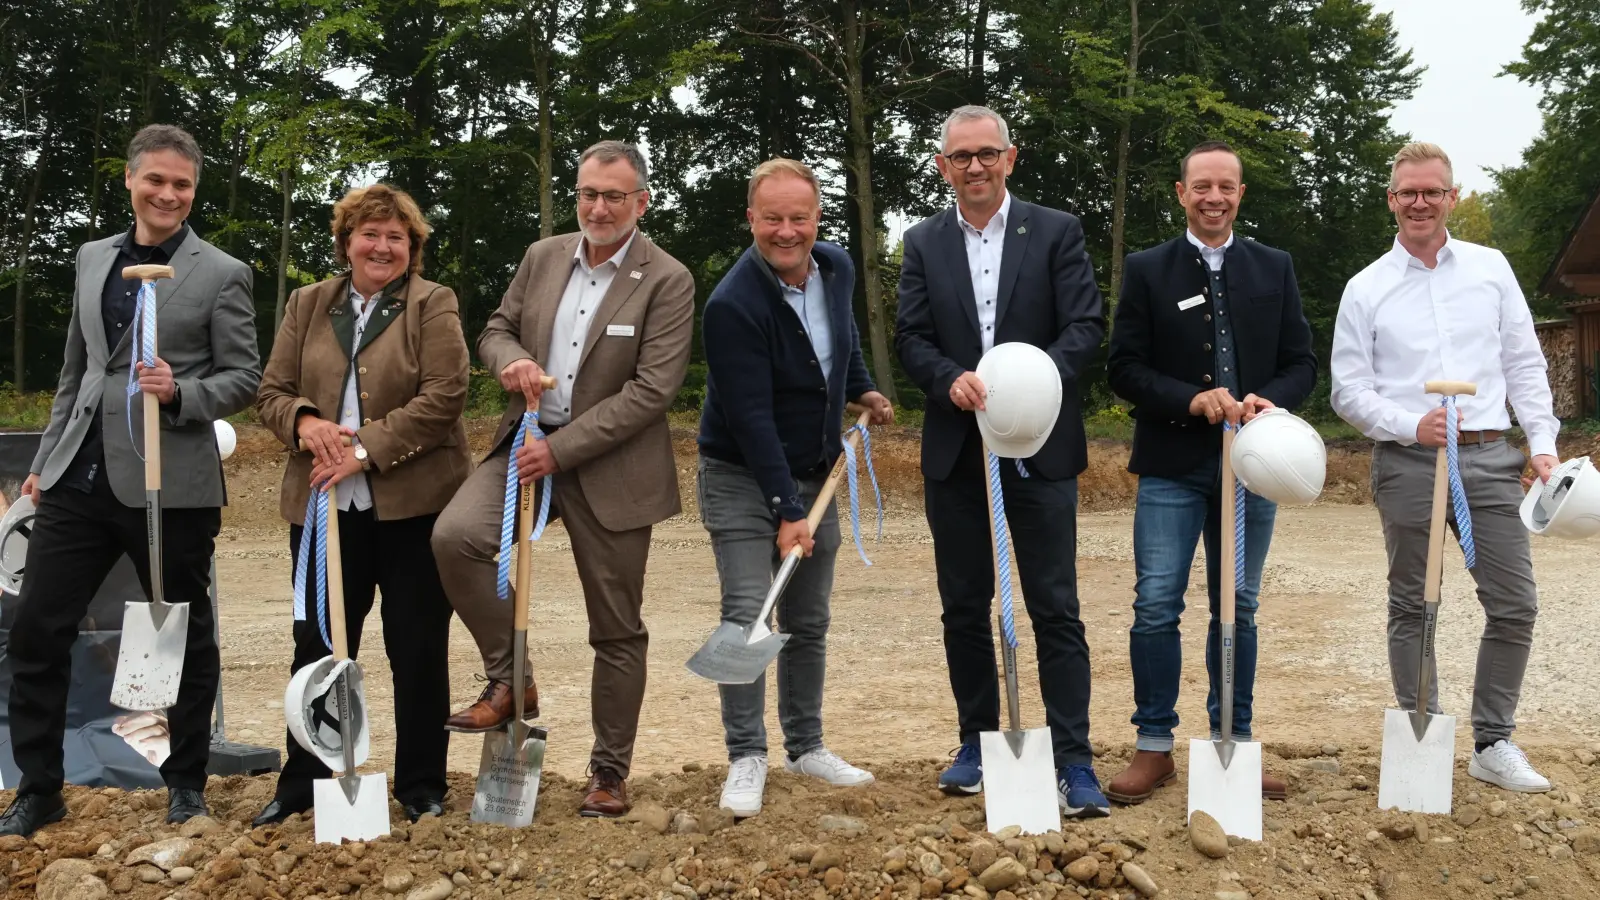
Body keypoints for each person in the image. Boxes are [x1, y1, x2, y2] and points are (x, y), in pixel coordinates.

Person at [0, 124, 260, 836]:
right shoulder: (91, 259)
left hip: (169, 481)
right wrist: (44, 464)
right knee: (36, 630)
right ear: (130, 180)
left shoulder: (221, 272)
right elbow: (76, 372)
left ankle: (186, 785)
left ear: (194, 190)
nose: (168, 194)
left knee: (182, 633)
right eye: (156, 180)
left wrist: (180, 392)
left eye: (182, 184)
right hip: (79, 477)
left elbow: (244, 378)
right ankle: (39, 787)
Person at [431, 140, 695, 818]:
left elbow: (652, 390)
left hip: (611, 466)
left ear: (641, 201)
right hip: (524, 446)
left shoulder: (667, 278)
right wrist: (511, 360)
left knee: (615, 628)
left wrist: (565, 449)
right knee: (456, 538)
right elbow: (494, 329)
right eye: (588, 193)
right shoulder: (543, 256)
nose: (598, 207)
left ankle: (609, 773)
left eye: (614, 195)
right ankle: (512, 679)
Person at [894, 105, 1110, 817]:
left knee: (1055, 606)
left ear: (1010, 159)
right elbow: (912, 338)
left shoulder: (1055, 231)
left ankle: (1073, 758)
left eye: (988, 153)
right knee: (964, 605)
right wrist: (948, 378)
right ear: (942, 166)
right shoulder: (923, 242)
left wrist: (1029, 386)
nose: (976, 167)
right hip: (958, 449)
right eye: (962, 157)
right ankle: (976, 743)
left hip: (1040, 443)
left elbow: (1085, 325)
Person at [1331, 141, 1560, 793]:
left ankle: (1493, 743)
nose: (1421, 202)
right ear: (1391, 200)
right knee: (1415, 604)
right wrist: (1412, 424)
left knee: (1514, 603)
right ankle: (1422, 739)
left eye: (1433, 191)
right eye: (1408, 192)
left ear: (1452, 197)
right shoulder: (1366, 288)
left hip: (1490, 456)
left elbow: (1523, 363)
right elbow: (1348, 389)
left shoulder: (1490, 270)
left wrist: (1541, 440)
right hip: (1408, 462)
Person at [1103, 140, 1317, 804]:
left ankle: (1235, 744)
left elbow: (1302, 362)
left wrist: (1268, 400)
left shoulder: (1274, 267)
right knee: (1156, 605)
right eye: (1202, 186)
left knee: (1240, 606)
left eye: (1226, 186)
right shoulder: (1146, 269)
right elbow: (1124, 368)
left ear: (1240, 195)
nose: (1214, 197)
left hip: (1253, 467)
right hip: (1171, 463)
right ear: (1180, 192)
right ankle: (1154, 748)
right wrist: (1188, 399)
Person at [252, 183, 469, 825]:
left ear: (412, 248)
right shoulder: (307, 302)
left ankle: (423, 785)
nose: (381, 246)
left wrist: (365, 450)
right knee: (316, 647)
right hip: (322, 509)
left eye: (395, 237)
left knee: (417, 646)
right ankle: (304, 782)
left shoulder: (433, 304)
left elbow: (444, 396)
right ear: (346, 241)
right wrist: (306, 422)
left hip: (415, 508)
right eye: (369, 234)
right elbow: (272, 391)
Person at [696, 158, 894, 818]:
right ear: (751, 218)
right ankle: (745, 754)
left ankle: (805, 745)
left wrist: (862, 386)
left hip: (816, 470)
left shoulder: (835, 267)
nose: (787, 231)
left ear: (817, 218)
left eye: (799, 218)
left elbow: (843, 344)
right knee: (750, 613)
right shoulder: (732, 305)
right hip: (741, 475)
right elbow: (750, 420)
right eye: (772, 218)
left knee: (808, 620)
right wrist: (786, 511)